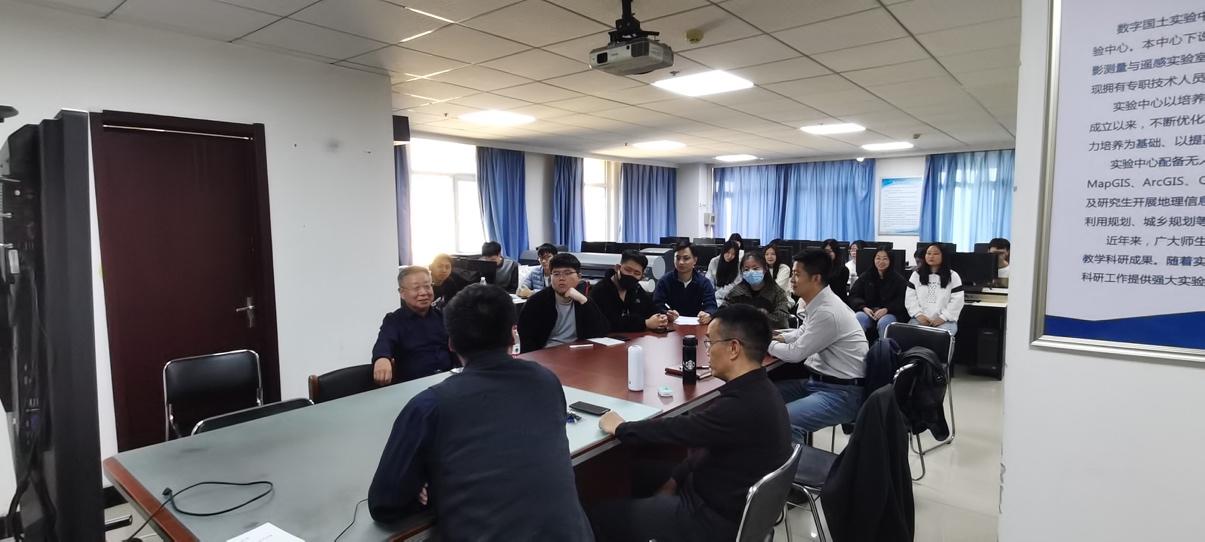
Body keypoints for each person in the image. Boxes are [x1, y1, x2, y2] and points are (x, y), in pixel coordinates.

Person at [368, 284, 594, 540]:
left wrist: (426, 485)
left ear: (451, 343)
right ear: (513, 335)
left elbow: (384, 505)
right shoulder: (547, 381)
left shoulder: (430, 405)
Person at [592, 304, 791, 542]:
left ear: (733, 348)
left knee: (599, 516)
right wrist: (676, 478)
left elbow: (678, 429)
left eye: (710, 342)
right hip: (721, 496)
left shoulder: (741, 405)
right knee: (631, 471)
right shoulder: (760, 389)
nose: (707, 351)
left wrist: (621, 427)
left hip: (711, 519)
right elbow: (705, 443)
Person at [770, 249, 868, 443]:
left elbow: (796, 353)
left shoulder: (827, 311)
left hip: (842, 393)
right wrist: (777, 337)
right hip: (817, 383)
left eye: (797, 274)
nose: (792, 280)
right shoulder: (818, 302)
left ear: (816, 278)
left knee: (785, 421)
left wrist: (765, 344)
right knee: (762, 396)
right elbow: (802, 333)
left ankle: (796, 463)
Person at [371, 266, 455, 386]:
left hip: (447, 380)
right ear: (402, 293)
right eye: (416, 288)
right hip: (413, 384)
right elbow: (384, 342)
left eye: (427, 286)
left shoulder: (442, 316)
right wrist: (382, 359)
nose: (423, 293)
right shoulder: (394, 320)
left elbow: (458, 345)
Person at [517, 253, 609, 352]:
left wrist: (584, 301)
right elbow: (526, 339)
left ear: (579, 277)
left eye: (567, 273)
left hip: (578, 351)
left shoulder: (583, 300)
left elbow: (601, 332)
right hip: (546, 353)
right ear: (550, 277)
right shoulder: (536, 302)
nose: (561, 278)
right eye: (556, 274)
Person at [589, 250, 668, 332]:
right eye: (627, 270)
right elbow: (609, 323)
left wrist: (662, 316)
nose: (631, 275)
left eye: (636, 273)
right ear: (618, 268)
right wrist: (645, 323)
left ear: (642, 277)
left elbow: (651, 308)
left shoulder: (636, 288)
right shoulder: (600, 290)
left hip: (634, 338)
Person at [849, 245, 909, 339]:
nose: (881, 262)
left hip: (890, 313)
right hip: (868, 312)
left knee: (884, 322)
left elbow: (902, 300)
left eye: (885, 259)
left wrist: (887, 309)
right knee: (858, 317)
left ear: (890, 261)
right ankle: (859, 346)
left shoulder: (898, 279)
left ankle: (884, 347)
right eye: (878, 258)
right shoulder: (866, 276)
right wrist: (863, 307)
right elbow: (854, 295)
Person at [652, 241, 718, 326]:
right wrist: (665, 312)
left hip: (697, 326)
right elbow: (657, 304)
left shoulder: (704, 283)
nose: (681, 262)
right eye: (678, 258)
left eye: (686, 258)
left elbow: (711, 306)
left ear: (695, 260)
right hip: (671, 326)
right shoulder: (664, 281)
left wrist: (708, 314)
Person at [906, 243, 965, 335]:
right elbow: (910, 299)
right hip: (919, 319)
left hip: (945, 321)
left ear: (943, 256)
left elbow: (957, 301)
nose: (931, 256)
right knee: (908, 336)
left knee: (938, 338)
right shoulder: (916, 275)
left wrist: (943, 317)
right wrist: (918, 315)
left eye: (936, 254)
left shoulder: (953, 276)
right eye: (928, 253)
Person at [724, 251, 792, 329]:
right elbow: (723, 312)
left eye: (755, 268)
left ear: (765, 269)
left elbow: (782, 319)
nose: (751, 272)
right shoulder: (736, 292)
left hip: (768, 332)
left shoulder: (777, 292)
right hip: (741, 332)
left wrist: (763, 316)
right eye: (746, 269)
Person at [706, 240, 742, 305]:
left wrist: (716, 294)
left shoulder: (738, 264)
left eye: (733, 254)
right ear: (723, 251)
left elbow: (735, 284)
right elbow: (709, 279)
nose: (730, 256)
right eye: (728, 252)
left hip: (730, 295)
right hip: (714, 294)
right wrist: (710, 293)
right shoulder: (714, 261)